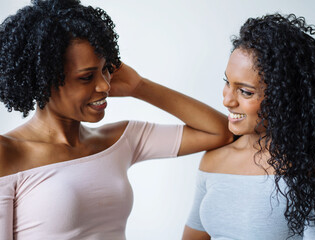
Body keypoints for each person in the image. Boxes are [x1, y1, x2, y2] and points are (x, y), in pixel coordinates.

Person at [0, 0, 233, 239]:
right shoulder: (7, 153)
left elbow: (221, 132)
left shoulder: (119, 140)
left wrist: (139, 86)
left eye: (106, 69)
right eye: (87, 77)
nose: (105, 84)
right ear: (44, 81)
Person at [183, 13, 315, 240]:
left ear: (286, 96)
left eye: (245, 91)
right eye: (227, 82)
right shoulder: (215, 158)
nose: (227, 100)